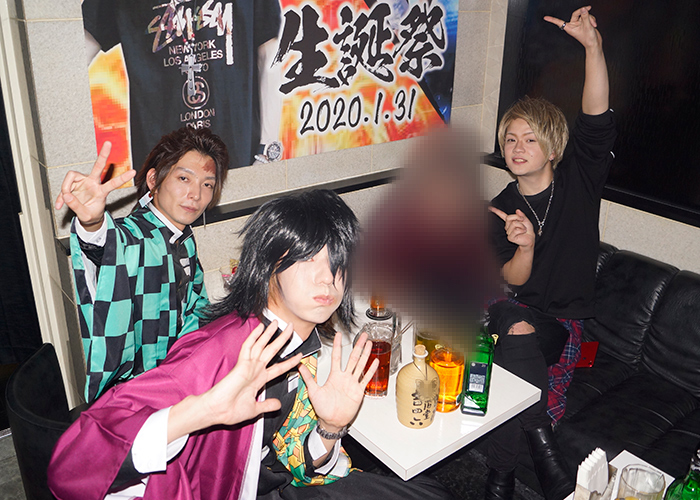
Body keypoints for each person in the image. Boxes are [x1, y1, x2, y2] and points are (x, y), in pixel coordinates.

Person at [48, 189, 454, 500]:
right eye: (308, 259)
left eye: (338, 264)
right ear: (269, 264)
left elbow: (294, 459)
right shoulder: (222, 350)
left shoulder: (299, 340)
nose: (327, 279)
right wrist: (197, 412)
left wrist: (331, 427)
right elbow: (72, 465)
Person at [485, 6, 616, 500]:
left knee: (514, 380)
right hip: (515, 312)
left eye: (530, 138)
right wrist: (526, 246)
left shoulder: (579, 182)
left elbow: (596, 117)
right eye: (510, 139)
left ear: (554, 147)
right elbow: (514, 280)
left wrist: (593, 47)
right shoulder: (501, 207)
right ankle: (533, 458)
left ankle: (499, 478)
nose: (517, 147)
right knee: (510, 318)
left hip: (563, 323)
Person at [55, 127, 229, 402]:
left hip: (175, 379)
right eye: (184, 178)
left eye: (207, 184)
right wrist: (92, 223)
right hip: (133, 393)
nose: (195, 194)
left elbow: (195, 306)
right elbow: (109, 245)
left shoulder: (183, 236)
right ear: (153, 179)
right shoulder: (136, 235)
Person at [82, 0, 284, 171]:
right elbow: (79, 51)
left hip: (239, 159)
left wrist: (266, 153)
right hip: (163, 167)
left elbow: (270, 57)